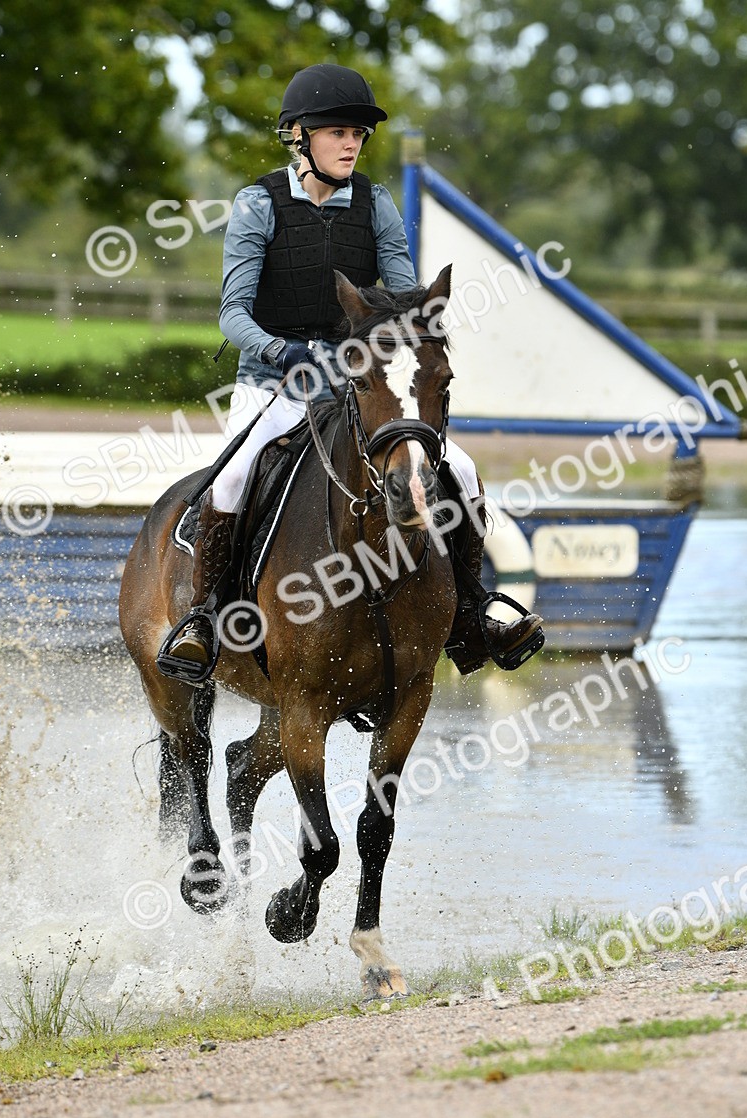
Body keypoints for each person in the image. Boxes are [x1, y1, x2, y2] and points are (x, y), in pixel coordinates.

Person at [159, 63, 543, 680]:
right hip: (273, 385)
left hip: (356, 389)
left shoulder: (376, 203)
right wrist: (284, 351)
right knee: (229, 483)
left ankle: (472, 613)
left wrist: (416, 334)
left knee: (462, 470)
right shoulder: (258, 204)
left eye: (359, 134)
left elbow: (405, 292)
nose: (351, 144)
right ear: (299, 137)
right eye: (338, 131)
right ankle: (205, 619)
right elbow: (232, 314)